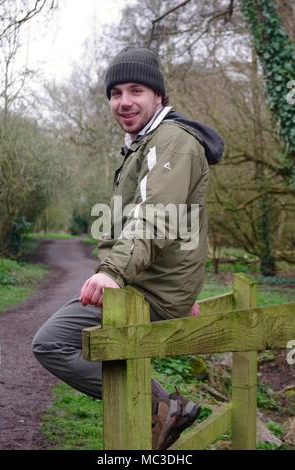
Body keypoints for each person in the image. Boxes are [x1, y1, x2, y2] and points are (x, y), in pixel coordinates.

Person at [32, 46, 223, 450]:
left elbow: (157, 217)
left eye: (136, 90)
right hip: (151, 283)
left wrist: (113, 272)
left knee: (52, 342)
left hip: (143, 287)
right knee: (102, 349)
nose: (124, 101)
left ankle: (159, 407)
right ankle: (162, 408)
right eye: (116, 93)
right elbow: (163, 223)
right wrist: (181, 288)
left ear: (159, 96)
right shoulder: (143, 143)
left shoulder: (171, 142)